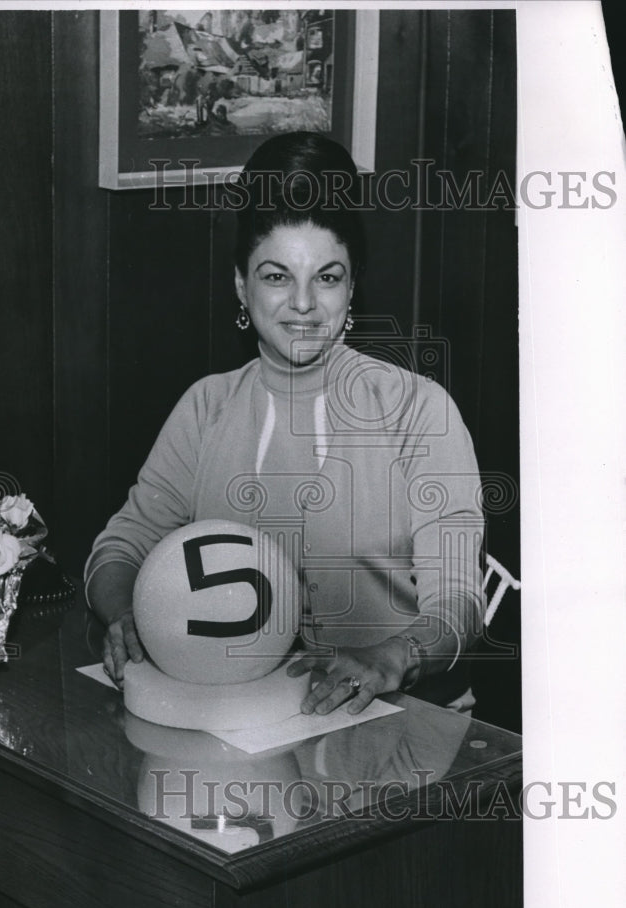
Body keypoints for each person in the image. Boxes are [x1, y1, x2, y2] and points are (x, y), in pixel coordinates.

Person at [85, 132, 485, 716]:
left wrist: (394, 656)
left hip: (403, 728)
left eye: (327, 277)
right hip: (245, 722)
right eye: (276, 277)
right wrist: (124, 613)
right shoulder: (206, 408)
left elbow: (459, 604)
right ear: (241, 287)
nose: (302, 304)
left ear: (353, 288)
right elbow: (118, 548)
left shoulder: (418, 410)